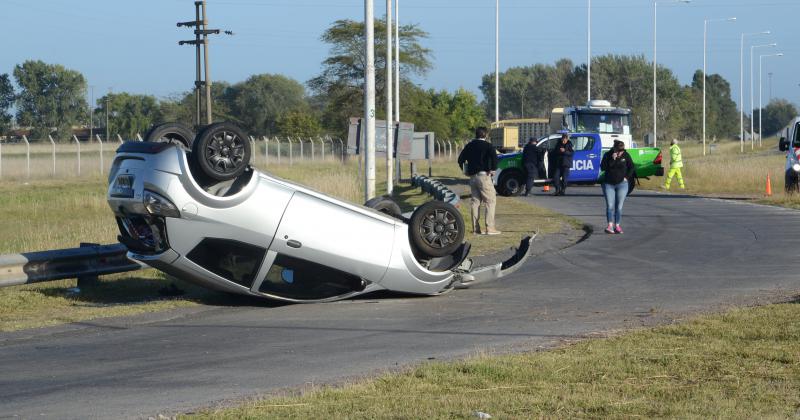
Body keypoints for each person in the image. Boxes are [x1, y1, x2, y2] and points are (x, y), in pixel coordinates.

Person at [457, 127, 501, 235]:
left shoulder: (469, 145)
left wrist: (465, 170)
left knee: (475, 202)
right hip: (484, 176)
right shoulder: (488, 145)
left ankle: (476, 229)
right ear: (485, 135)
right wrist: (493, 169)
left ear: (476, 134)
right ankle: (490, 228)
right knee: (490, 201)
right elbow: (495, 158)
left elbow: (460, 159)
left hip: (473, 177)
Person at [600, 140, 635, 234]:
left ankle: (617, 225)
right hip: (608, 184)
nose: (620, 152)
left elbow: (632, 167)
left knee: (619, 207)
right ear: (614, 149)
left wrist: (626, 177)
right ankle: (610, 226)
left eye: (622, 150)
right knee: (610, 206)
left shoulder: (626, 155)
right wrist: (612, 159)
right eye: (618, 150)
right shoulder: (607, 155)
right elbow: (602, 167)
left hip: (622, 184)